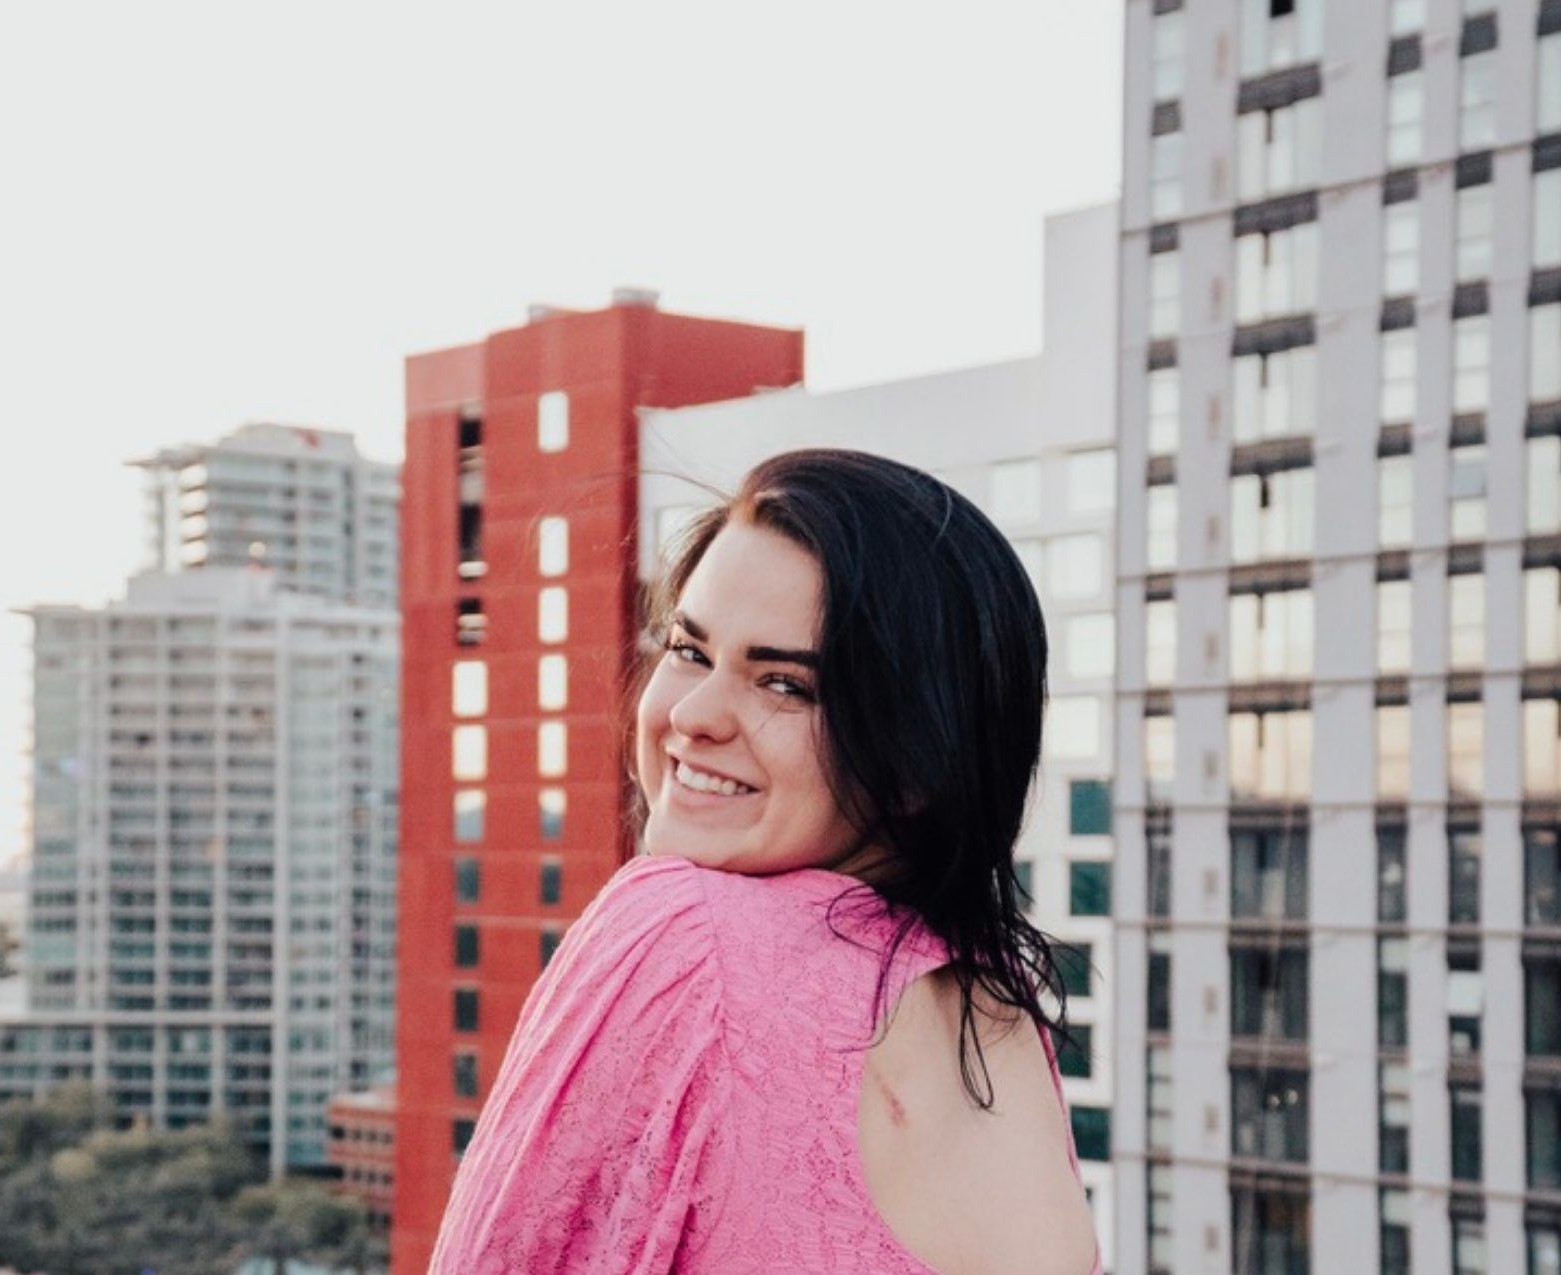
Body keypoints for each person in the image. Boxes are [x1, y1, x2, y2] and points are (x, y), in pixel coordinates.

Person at [430, 449, 1102, 1274]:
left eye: (785, 684)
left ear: (920, 762)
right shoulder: (1000, 1007)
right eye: (688, 648)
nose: (695, 714)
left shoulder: (684, 930)